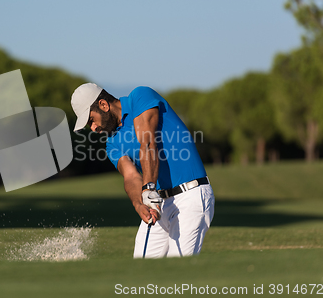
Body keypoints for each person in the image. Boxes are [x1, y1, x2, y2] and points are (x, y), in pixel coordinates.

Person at [71, 83, 215, 258]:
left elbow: (147, 142)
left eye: (91, 120)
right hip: (157, 201)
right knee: (141, 268)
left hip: (190, 195)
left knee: (177, 271)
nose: (93, 128)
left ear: (103, 105)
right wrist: (139, 204)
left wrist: (148, 188)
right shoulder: (112, 144)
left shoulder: (140, 97)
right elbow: (131, 177)